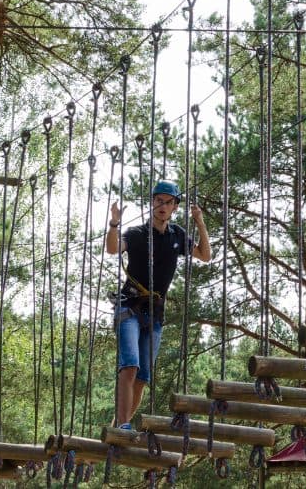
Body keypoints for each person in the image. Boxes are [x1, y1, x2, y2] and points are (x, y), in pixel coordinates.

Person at [105, 180, 211, 430]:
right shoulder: (136, 234)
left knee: (142, 377)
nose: (162, 206)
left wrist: (200, 223)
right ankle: (122, 425)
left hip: (155, 313)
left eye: (168, 202)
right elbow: (112, 248)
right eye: (158, 200)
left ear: (175, 207)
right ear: (152, 203)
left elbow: (205, 256)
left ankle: (121, 424)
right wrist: (114, 223)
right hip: (129, 306)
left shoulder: (177, 235)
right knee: (130, 365)